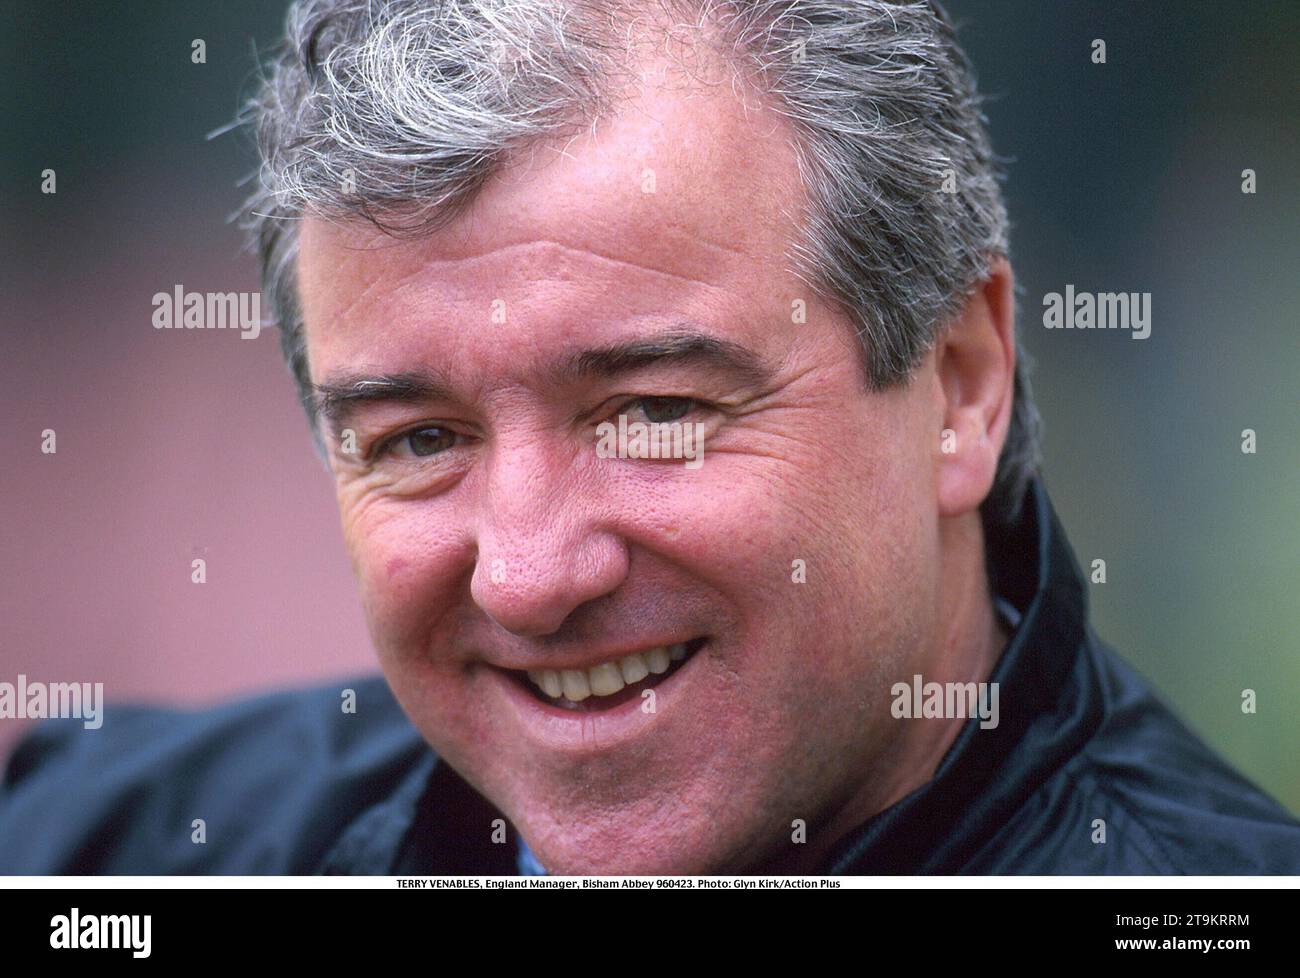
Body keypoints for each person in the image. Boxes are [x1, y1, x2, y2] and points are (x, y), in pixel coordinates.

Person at [3, 0, 1297, 875]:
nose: (527, 572)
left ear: (961, 385)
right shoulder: (104, 843)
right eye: (415, 438)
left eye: (653, 412)